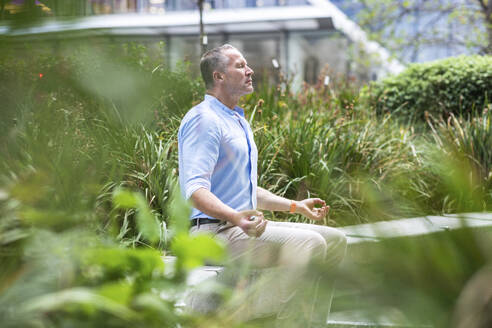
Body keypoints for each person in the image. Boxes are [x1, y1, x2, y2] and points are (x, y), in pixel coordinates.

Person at [178, 44, 346, 326]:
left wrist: (295, 206)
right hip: (212, 234)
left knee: (336, 240)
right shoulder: (204, 120)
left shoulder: (236, 120)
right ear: (219, 76)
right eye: (240, 65)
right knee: (310, 244)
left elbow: (247, 191)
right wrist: (234, 217)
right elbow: (195, 190)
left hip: (236, 229)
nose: (250, 70)